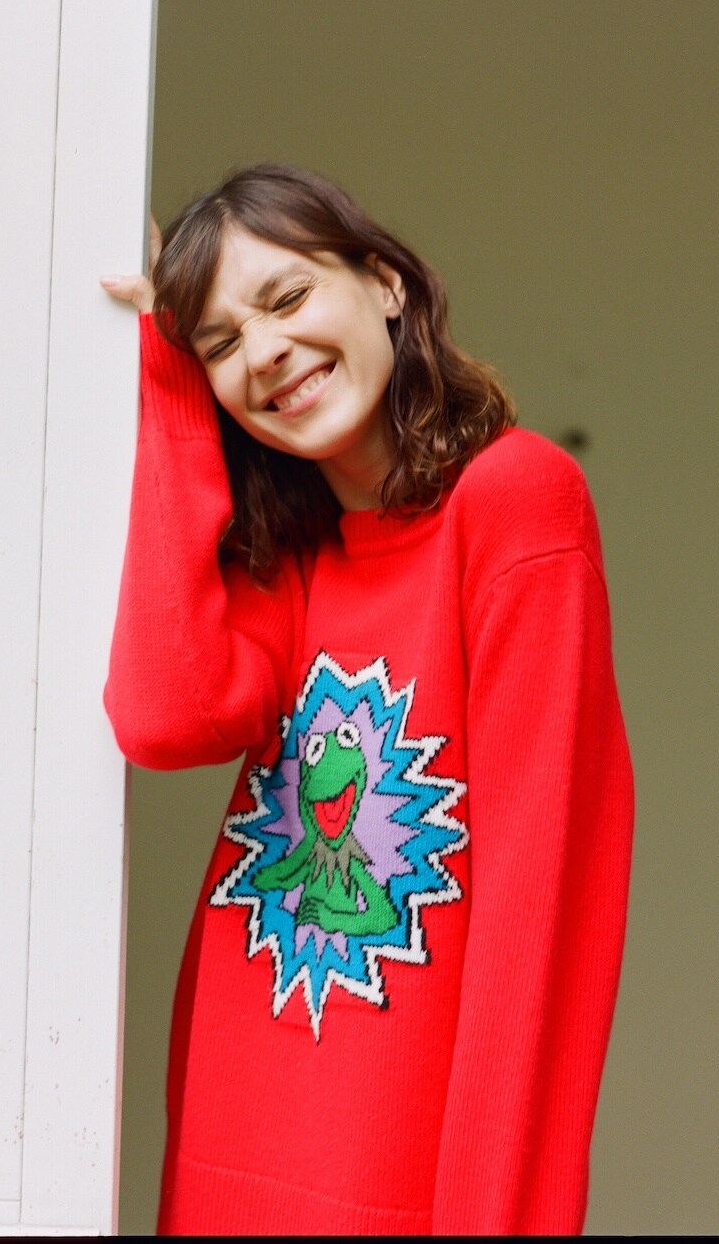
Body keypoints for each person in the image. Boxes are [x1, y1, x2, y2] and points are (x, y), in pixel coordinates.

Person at [100, 163, 634, 1236]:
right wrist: (163, 380)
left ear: (385, 283)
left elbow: (545, 910)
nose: (264, 352)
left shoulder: (514, 499)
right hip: (230, 1154)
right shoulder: (293, 559)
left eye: (287, 298)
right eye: (218, 341)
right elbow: (165, 715)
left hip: (406, 1187)